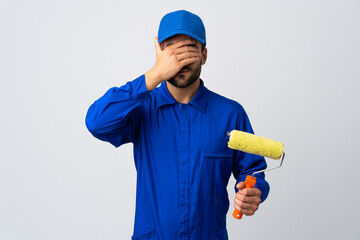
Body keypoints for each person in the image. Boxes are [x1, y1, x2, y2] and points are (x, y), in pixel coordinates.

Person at [85, 10, 269, 240]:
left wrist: (255, 191)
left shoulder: (231, 113)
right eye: (172, 50)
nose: (180, 59)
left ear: (204, 55)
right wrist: (153, 75)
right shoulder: (140, 110)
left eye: (189, 49)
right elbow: (96, 122)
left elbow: (253, 171)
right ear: (159, 53)